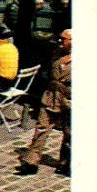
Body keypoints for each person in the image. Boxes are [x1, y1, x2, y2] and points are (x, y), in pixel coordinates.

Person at [18, 27, 71, 174]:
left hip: (69, 98)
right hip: (51, 96)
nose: (60, 41)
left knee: (70, 133)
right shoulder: (56, 54)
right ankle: (31, 162)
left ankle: (65, 163)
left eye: (64, 39)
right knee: (41, 128)